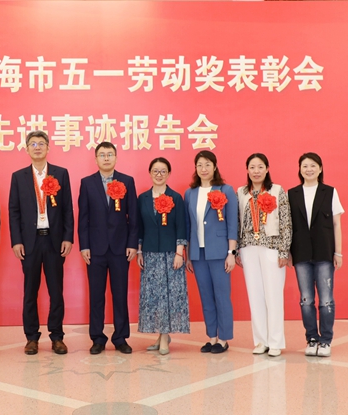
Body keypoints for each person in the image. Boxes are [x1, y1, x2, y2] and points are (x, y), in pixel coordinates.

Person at [8, 130, 74, 355]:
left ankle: (57, 336)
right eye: (33, 144)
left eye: (41, 143)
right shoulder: (19, 177)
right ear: (27, 149)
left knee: (56, 291)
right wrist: (16, 241)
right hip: (30, 242)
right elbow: (14, 211)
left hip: (54, 241)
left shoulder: (60, 173)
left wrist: (68, 237)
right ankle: (31, 337)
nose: (37, 147)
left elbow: (67, 209)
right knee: (30, 291)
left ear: (48, 147)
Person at [78, 142, 138, 355]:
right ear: (96, 159)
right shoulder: (87, 183)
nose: (106, 158)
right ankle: (97, 338)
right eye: (102, 155)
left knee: (120, 295)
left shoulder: (127, 181)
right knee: (96, 296)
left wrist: (132, 244)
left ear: (116, 158)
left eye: (109, 154)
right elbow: (83, 218)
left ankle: (121, 338)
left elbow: (133, 216)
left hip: (121, 249)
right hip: (95, 249)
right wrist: (84, 246)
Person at [235, 153, 291, 357]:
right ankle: (261, 341)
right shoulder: (241, 192)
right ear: (247, 170)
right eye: (252, 167)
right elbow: (237, 222)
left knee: (273, 295)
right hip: (248, 248)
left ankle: (275, 342)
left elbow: (285, 222)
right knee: (255, 294)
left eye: (260, 167)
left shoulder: (277, 190)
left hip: (272, 247)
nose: (256, 171)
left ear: (267, 169)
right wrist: (237, 249)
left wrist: (284, 250)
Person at [288, 152, 343, 357]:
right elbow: (288, 226)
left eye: (313, 165)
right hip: (301, 253)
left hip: (324, 252)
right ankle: (311, 338)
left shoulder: (330, 192)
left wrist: (338, 252)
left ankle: (326, 340)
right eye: (304, 166)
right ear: (299, 169)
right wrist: (288, 252)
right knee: (306, 299)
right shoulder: (292, 194)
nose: (309, 169)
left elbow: (336, 224)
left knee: (326, 299)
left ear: (320, 169)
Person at [184, 150, 237, 354]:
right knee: (206, 296)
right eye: (199, 165)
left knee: (222, 296)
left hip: (219, 252)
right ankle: (212, 337)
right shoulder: (190, 193)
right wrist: (189, 254)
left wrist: (231, 252)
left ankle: (223, 339)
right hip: (198, 253)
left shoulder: (226, 190)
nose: (203, 169)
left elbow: (232, 223)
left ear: (214, 166)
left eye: (207, 164)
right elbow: (189, 226)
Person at [137, 157, 189, 355]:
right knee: (154, 297)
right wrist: (139, 251)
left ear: (169, 174)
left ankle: (165, 336)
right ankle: (160, 335)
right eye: (155, 171)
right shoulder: (142, 198)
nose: (159, 175)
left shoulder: (176, 197)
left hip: (170, 254)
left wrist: (179, 253)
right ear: (150, 173)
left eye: (163, 171)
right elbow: (139, 227)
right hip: (150, 254)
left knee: (169, 297)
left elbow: (181, 226)